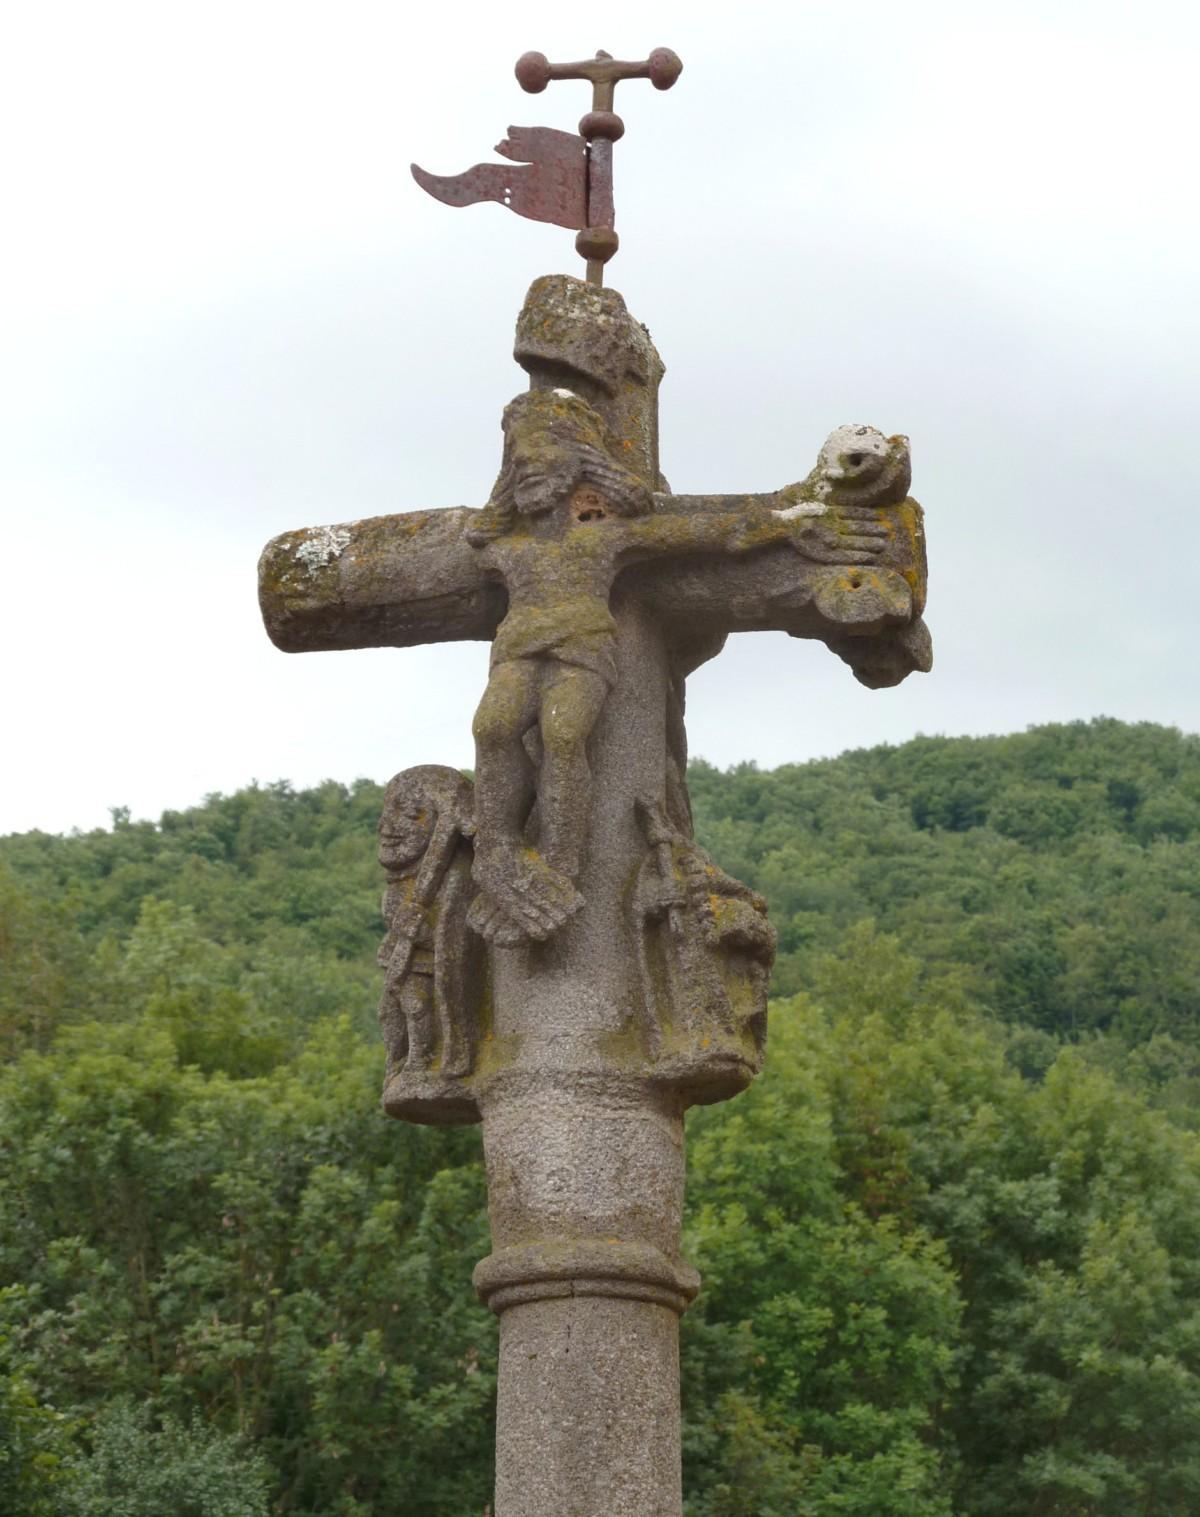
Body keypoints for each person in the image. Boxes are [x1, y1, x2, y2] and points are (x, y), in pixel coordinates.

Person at [465, 388, 891, 945]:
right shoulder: (506, 545)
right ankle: (496, 850)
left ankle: (558, 859)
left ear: (577, 469)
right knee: (492, 727)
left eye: (543, 461)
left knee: (565, 734)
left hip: (583, 644)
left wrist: (788, 522)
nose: (530, 473)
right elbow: (470, 536)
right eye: (521, 462)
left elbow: (708, 533)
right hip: (519, 643)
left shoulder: (607, 535)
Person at [376, 766, 476, 1090]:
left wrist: (418, 932)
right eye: (385, 813)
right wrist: (397, 938)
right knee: (389, 1014)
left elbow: (454, 940)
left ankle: (421, 1061)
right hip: (399, 963)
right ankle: (396, 1063)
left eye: (409, 815)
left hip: (425, 966)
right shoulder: (401, 883)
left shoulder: (454, 881)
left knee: (417, 1007)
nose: (386, 827)